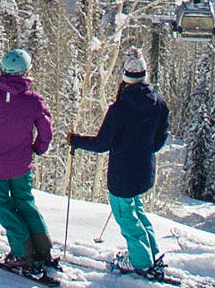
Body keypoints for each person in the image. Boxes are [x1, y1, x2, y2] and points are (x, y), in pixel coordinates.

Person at [68, 45, 170, 274]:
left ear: (124, 76)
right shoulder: (158, 103)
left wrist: (77, 141)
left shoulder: (119, 109)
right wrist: (144, 151)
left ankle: (141, 262)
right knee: (137, 211)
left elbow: (102, 144)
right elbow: (160, 139)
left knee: (127, 218)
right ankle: (150, 252)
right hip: (144, 171)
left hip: (122, 176)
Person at [0, 47, 56, 272]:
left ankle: (22, 253)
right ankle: (42, 248)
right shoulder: (34, 101)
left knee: (3, 205)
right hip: (21, 165)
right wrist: (39, 148)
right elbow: (46, 131)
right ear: (26, 72)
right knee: (25, 201)